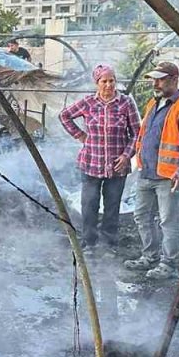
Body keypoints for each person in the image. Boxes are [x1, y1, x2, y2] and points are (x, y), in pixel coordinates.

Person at [125, 61, 179, 280]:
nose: (155, 83)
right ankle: (150, 256)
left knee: (168, 221)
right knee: (141, 216)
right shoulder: (153, 104)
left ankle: (169, 264)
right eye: (154, 79)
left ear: (174, 80)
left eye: (160, 79)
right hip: (146, 172)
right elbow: (144, 136)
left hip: (168, 176)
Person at [58, 65, 139, 253]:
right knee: (89, 204)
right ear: (97, 83)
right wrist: (79, 135)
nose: (109, 85)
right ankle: (89, 242)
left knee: (112, 205)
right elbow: (64, 116)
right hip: (91, 163)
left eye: (112, 81)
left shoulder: (126, 103)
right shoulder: (88, 103)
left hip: (117, 165)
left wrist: (127, 156)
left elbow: (137, 133)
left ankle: (109, 243)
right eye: (104, 81)